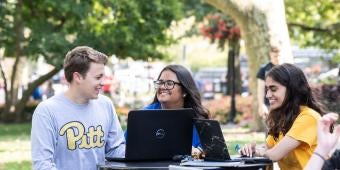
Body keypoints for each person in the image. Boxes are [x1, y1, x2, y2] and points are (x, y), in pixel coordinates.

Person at [31, 46, 125, 170]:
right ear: (78, 77)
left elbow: (115, 151)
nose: (103, 82)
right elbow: (43, 165)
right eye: (98, 77)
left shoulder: (106, 104)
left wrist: (143, 150)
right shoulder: (47, 111)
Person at [240, 63, 325, 169]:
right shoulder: (282, 118)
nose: (268, 95)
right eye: (267, 90)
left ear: (292, 89)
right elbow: (267, 146)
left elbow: (275, 154)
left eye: (273, 89)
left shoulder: (309, 117)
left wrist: (260, 152)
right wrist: (252, 149)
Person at [145, 64, 210, 157]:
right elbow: (124, 147)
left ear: (184, 91)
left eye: (169, 83)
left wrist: (198, 153)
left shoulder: (199, 120)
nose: (162, 87)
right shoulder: (143, 115)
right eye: (160, 82)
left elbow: (212, 153)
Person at [256, 46, 280, 119]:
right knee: (271, 129)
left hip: (284, 104)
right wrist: (261, 105)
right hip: (269, 104)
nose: (277, 58)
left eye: (279, 56)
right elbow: (260, 88)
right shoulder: (264, 70)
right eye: (275, 56)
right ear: (270, 54)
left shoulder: (286, 69)